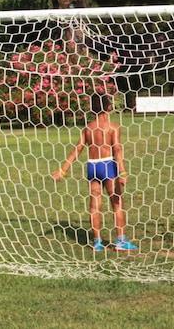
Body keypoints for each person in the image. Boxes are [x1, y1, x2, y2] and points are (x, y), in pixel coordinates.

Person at [52, 93, 138, 252]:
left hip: (92, 167)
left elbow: (77, 149)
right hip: (108, 166)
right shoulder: (113, 127)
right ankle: (120, 241)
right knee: (117, 204)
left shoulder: (88, 128)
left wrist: (63, 170)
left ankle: (97, 242)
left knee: (94, 206)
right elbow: (117, 149)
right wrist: (123, 172)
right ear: (109, 107)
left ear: (92, 109)